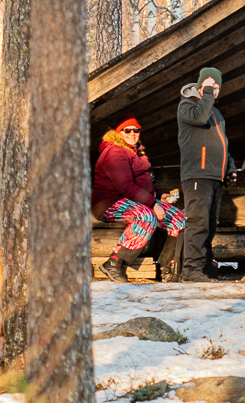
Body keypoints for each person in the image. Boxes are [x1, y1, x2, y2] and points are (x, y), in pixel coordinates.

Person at [92, 116, 186, 282]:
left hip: (134, 200)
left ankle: (168, 269)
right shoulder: (114, 152)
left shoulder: (136, 153)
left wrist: (159, 195)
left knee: (179, 219)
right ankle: (114, 263)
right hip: (109, 203)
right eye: (127, 130)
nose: (132, 133)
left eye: (136, 130)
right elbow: (125, 186)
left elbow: (141, 185)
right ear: (118, 133)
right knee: (145, 216)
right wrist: (152, 204)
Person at [176, 66, 229, 282]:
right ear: (200, 86)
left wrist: (230, 167)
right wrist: (205, 93)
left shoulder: (215, 113)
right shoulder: (188, 105)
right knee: (198, 223)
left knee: (210, 223)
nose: (213, 89)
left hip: (214, 176)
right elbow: (198, 119)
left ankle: (204, 267)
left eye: (215, 86)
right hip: (197, 174)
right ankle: (191, 270)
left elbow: (222, 143)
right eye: (209, 85)